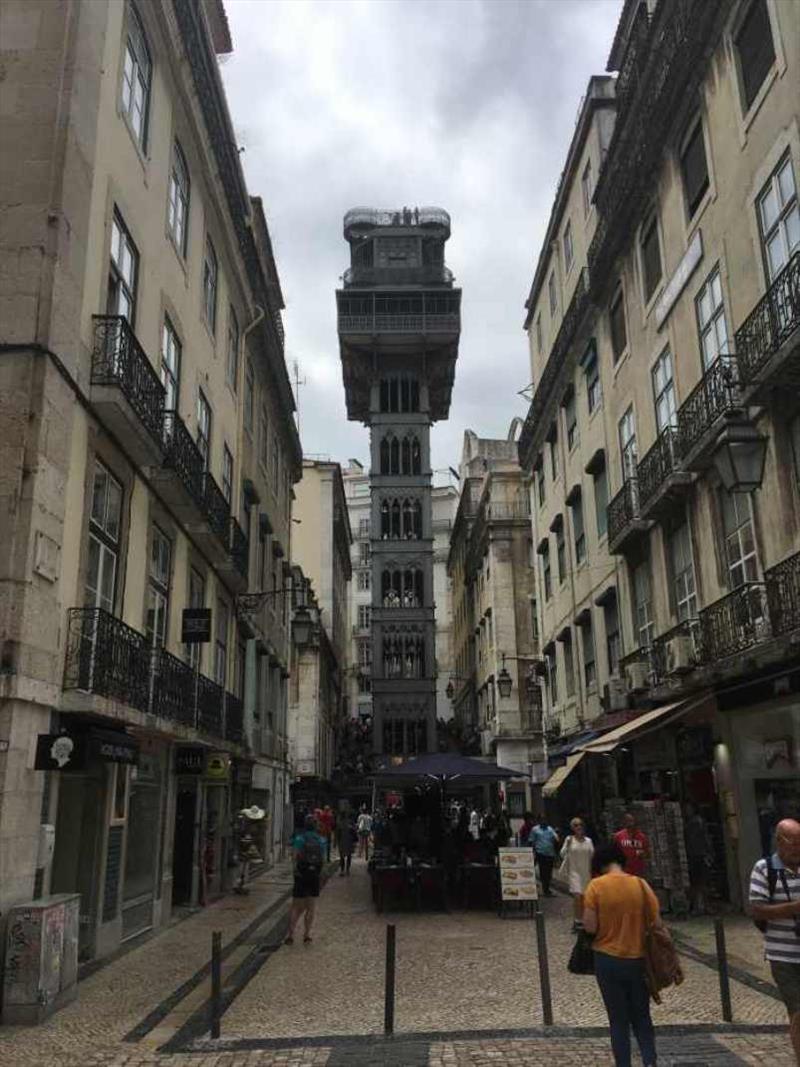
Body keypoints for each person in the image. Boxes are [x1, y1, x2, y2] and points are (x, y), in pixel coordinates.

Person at [583, 842, 661, 1067]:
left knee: (618, 1021)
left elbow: (589, 926)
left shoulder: (595, 887)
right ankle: (649, 1062)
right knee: (642, 1018)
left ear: (600, 864)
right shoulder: (640, 885)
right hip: (637, 959)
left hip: (606, 959)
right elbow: (656, 922)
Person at [749, 817, 800, 1062]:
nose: (798, 847)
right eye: (794, 842)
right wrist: (793, 908)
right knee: (798, 1011)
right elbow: (757, 910)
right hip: (783, 955)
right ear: (779, 841)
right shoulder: (764, 869)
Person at [286, 815, 326, 945]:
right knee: (311, 907)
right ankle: (306, 934)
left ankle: (291, 935)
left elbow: (294, 856)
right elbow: (323, 860)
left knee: (296, 906)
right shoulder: (321, 840)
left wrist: (295, 870)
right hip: (314, 875)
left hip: (301, 874)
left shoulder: (299, 838)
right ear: (316, 826)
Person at [560, 817, 594, 930]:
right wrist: (568, 845)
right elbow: (562, 854)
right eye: (575, 825)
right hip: (574, 872)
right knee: (577, 896)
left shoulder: (589, 841)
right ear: (572, 828)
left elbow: (592, 855)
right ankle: (577, 920)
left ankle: (583, 919)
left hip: (586, 872)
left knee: (585, 898)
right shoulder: (569, 839)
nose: (578, 827)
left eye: (580, 824)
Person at [684, 804, 713, 916]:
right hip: (693, 855)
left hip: (700, 854)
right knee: (696, 883)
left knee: (702, 882)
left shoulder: (698, 823)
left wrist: (708, 853)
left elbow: (706, 839)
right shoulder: (688, 824)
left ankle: (704, 905)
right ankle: (698, 906)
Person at [529, 815, 560, 897]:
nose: (544, 821)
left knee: (549, 872)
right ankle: (545, 889)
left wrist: (556, 835)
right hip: (540, 853)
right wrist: (532, 852)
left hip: (550, 853)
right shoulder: (535, 829)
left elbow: (556, 839)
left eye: (545, 820)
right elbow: (531, 840)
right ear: (539, 821)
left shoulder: (550, 829)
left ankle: (547, 888)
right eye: (542, 820)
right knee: (543, 872)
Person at [613, 812, 650, 879]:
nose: (630, 823)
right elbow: (614, 853)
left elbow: (647, 854)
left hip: (637, 871)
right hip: (623, 871)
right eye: (628, 821)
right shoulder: (618, 836)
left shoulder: (642, 837)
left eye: (632, 821)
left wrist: (642, 854)